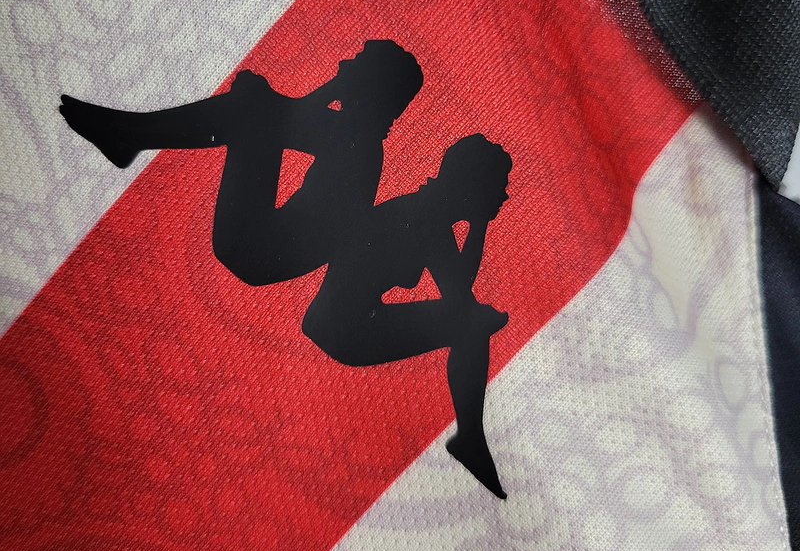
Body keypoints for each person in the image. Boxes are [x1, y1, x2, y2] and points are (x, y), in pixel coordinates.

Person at [59, 40, 423, 285]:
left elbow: (285, 118)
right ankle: (131, 135)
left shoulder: (357, 140)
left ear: (371, 84)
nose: (344, 63)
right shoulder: (358, 135)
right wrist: (262, 98)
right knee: (252, 109)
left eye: (356, 61)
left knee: (251, 111)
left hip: (255, 245)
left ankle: (131, 135)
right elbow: (287, 115)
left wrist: (263, 96)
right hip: (261, 247)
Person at [302, 134, 512, 498]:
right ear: (473, 187)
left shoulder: (428, 211)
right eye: (498, 186)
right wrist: (479, 224)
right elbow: (460, 299)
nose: (504, 196)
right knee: (472, 324)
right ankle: (470, 439)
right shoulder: (427, 217)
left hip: (341, 321)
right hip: (343, 328)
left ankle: (470, 439)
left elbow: (458, 290)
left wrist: (479, 224)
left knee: (473, 322)